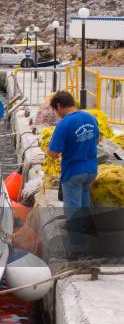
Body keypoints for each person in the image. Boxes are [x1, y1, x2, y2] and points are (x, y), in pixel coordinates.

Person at [47, 91, 99, 252]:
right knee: (84, 208)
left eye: (55, 110)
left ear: (59, 106)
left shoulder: (64, 124)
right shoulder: (90, 118)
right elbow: (97, 139)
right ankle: (88, 244)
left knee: (73, 209)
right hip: (91, 170)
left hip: (74, 172)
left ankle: (77, 249)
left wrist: (49, 153)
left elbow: (54, 152)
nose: (56, 114)